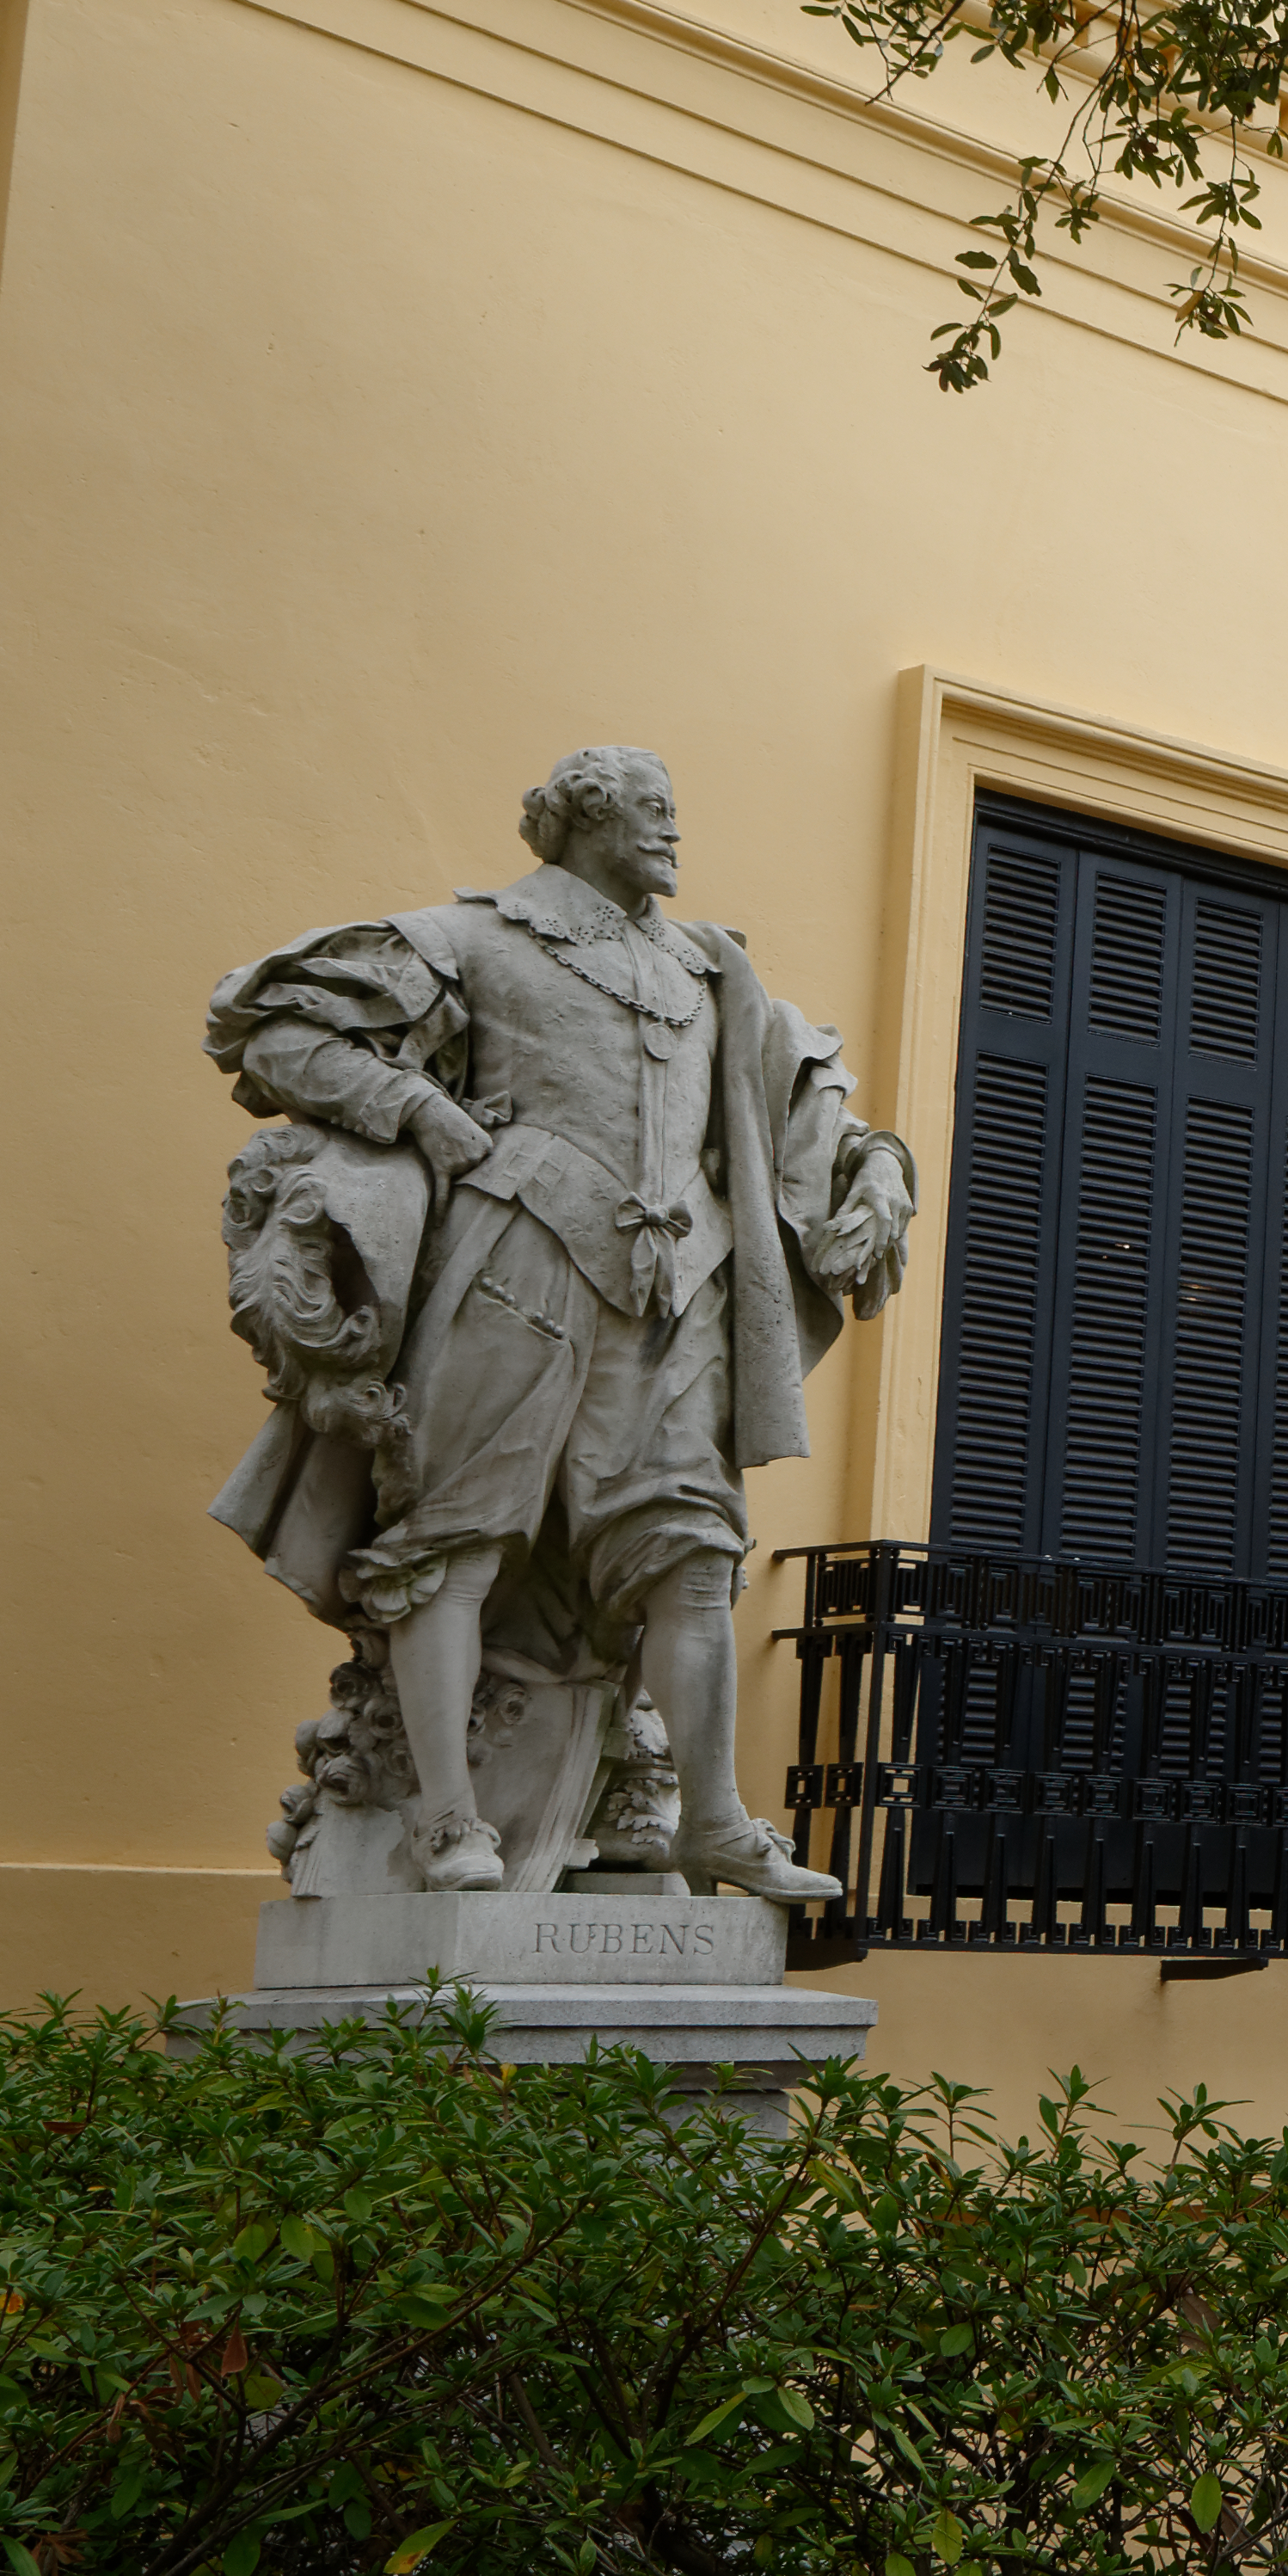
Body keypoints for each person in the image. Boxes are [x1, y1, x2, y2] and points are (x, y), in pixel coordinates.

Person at [206, 744, 915, 1899]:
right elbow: (277, 1031)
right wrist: (419, 1110)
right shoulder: (477, 938)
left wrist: (878, 1180)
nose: (673, 833)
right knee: (454, 1535)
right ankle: (446, 1822)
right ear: (584, 819)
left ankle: (714, 1820)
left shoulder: (710, 969)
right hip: (516, 1259)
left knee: (694, 1549)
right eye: (651, 811)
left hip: (676, 1296)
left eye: (676, 812)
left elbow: (816, 1117)